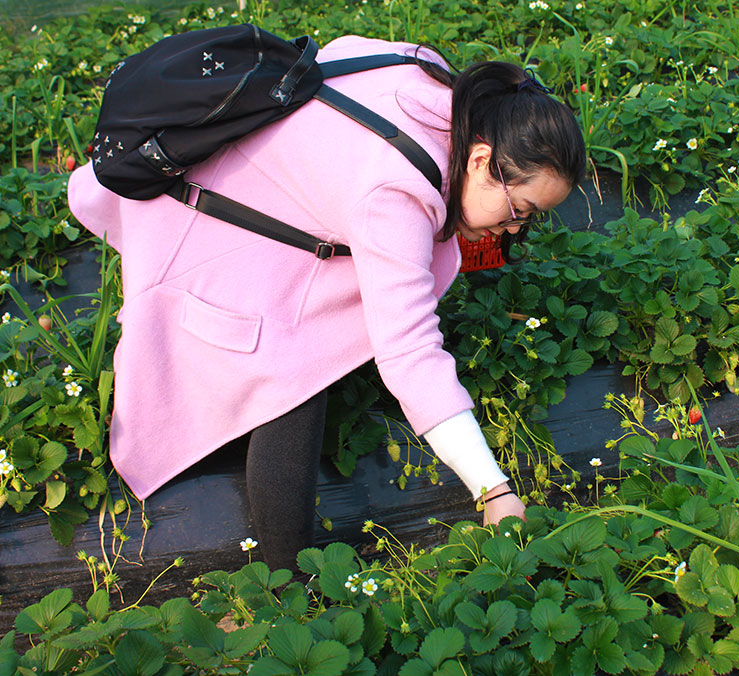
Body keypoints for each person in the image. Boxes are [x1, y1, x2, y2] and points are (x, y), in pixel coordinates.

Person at [68, 34, 586, 569]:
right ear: (482, 159)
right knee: (294, 376)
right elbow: (410, 353)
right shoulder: (394, 196)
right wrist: (492, 489)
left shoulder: (430, 76)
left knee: (334, 335)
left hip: (252, 180)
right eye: (519, 209)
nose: (516, 227)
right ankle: (287, 585)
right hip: (202, 213)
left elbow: (341, 49)